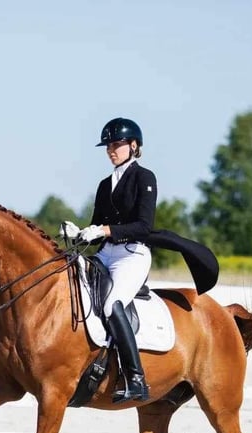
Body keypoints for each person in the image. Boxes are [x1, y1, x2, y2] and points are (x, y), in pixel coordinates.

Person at [65, 117, 156, 403]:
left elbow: (144, 226)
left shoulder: (145, 178)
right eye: (108, 146)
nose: (111, 150)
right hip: (106, 252)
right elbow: (96, 226)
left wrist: (105, 230)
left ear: (133, 145)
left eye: (116, 145)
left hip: (132, 254)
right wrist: (80, 233)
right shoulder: (105, 184)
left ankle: (135, 377)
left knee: (110, 304)